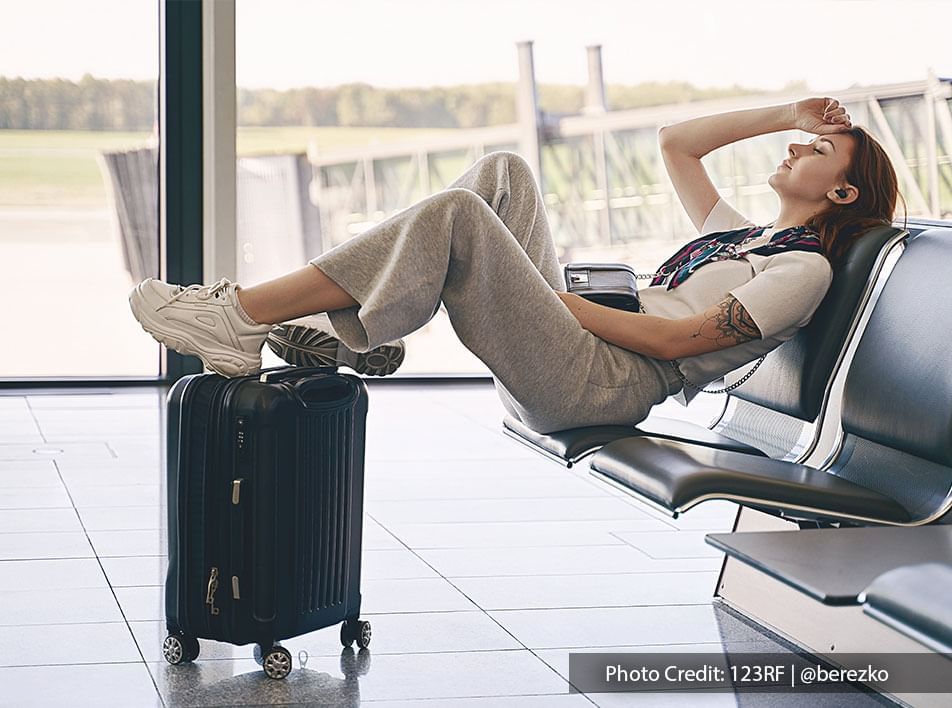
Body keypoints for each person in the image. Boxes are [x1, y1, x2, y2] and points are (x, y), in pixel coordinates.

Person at [129, 96, 902, 434]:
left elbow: (673, 344)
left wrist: (545, 299)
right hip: (586, 340)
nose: (796, 147)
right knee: (502, 173)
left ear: (840, 189)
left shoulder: (806, 271)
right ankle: (358, 334)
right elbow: (676, 141)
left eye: (817, 149)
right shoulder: (740, 238)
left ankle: (242, 316)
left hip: (603, 381)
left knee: (461, 218)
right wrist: (787, 114)